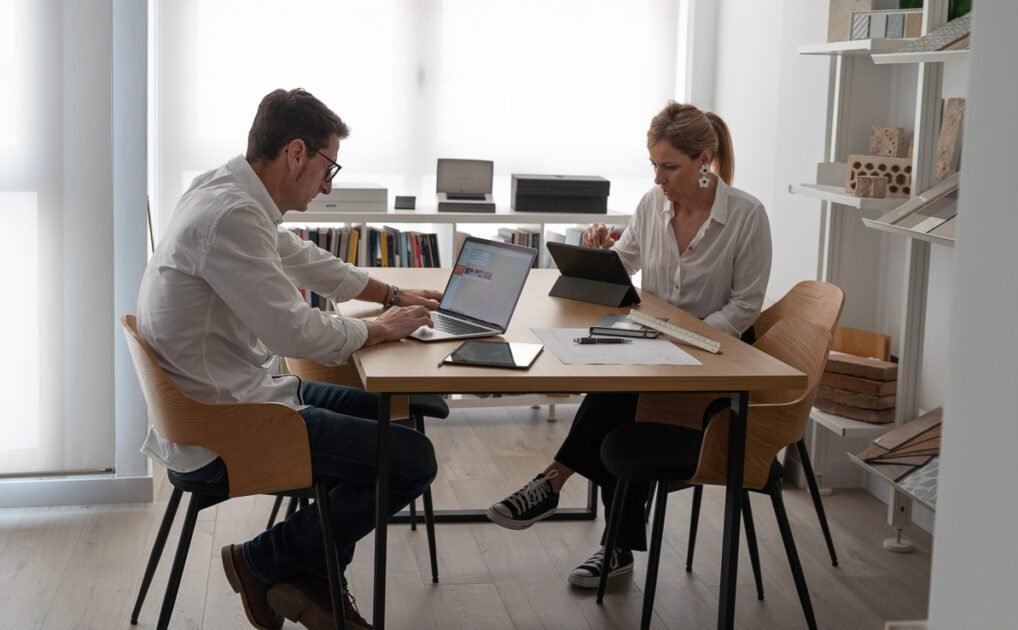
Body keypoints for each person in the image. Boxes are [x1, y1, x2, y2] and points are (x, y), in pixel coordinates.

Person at [138, 88, 441, 630]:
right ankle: (262, 561)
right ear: (296, 152)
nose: (328, 185)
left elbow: (301, 258)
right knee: (412, 460)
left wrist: (392, 295)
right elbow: (294, 331)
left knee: (386, 417)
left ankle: (312, 578)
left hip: (237, 396)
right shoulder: (230, 214)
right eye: (329, 167)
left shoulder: (223, 190)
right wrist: (380, 328)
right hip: (226, 426)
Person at [486, 101, 772, 588]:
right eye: (653, 165)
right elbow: (626, 263)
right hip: (656, 345)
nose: (659, 179)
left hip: (716, 360)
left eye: (670, 167)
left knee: (623, 397)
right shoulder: (651, 205)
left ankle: (557, 484)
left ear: (704, 160)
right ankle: (606, 538)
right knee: (620, 387)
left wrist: (689, 342)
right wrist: (600, 255)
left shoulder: (747, 216)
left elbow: (745, 306)